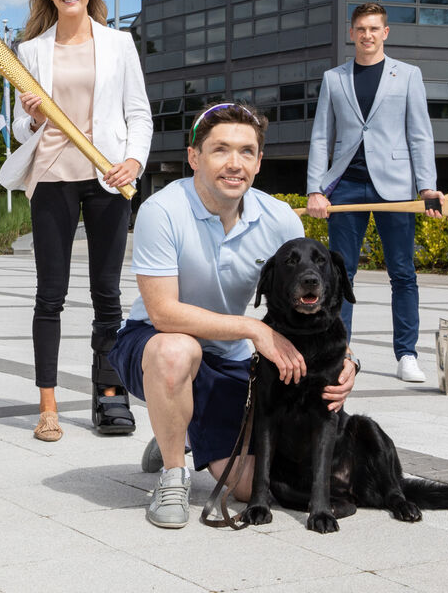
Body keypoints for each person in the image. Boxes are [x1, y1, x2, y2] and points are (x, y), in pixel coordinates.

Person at [107, 102, 359, 528]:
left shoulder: (277, 217)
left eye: (246, 151)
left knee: (246, 486)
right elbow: (163, 312)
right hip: (153, 342)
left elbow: (312, 305)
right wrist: (252, 329)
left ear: (259, 161)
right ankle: (172, 474)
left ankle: (179, 427)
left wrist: (347, 359)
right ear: (194, 157)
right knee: (177, 351)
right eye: (220, 149)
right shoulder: (161, 211)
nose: (234, 163)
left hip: (229, 357)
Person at [0, 0, 152, 442]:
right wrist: (34, 116)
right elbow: (23, 128)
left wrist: (135, 160)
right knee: (51, 295)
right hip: (51, 176)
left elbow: (139, 113)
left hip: (109, 176)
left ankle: (110, 396)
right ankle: (48, 405)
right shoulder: (31, 50)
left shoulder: (119, 43)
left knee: (107, 297)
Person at [306, 2, 445, 383]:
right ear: (352, 33)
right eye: (361, 29)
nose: (367, 35)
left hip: (397, 187)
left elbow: (420, 135)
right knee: (340, 274)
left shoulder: (408, 75)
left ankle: (407, 355)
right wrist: (316, 190)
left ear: (385, 33)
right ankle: (339, 353)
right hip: (346, 185)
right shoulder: (334, 78)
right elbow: (322, 137)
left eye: (374, 28)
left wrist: (427, 186)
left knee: (403, 273)